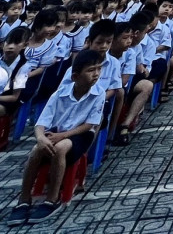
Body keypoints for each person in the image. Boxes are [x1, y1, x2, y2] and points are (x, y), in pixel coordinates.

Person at [7, 50, 105, 223]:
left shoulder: (99, 93)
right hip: (57, 133)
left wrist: (63, 135)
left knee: (60, 147)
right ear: (75, 76)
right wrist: (41, 138)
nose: (96, 74)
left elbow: (89, 125)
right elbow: (41, 123)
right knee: (37, 150)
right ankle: (23, 200)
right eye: (91, 70)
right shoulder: (59, 94)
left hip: (80, 135)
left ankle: (52, 199)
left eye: (98, 69)